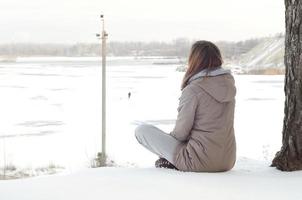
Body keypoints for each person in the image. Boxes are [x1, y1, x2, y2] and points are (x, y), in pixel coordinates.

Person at [135, 40, 236, 172]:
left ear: (195, 60)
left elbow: (181, 133)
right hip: (227, 161)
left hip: (199, 162)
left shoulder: (194, 89)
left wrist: (167, 147)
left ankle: (174, 161)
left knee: (142, 130)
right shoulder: (229, 86)